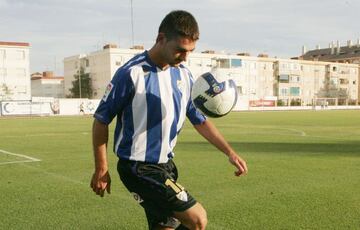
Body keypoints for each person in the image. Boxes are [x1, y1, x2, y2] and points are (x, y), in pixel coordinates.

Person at [90, 10, 248, 230]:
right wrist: (101, 168)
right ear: (161, 39)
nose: (185, 58)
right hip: (139, 168)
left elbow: (200, 120)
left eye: (190, 52)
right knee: (197, 219)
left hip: (167, 167)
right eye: (180, 50)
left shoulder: (183, 75)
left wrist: (230, 152)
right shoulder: (130, 74)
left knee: (166, 228)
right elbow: (101, 120)